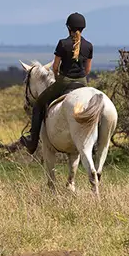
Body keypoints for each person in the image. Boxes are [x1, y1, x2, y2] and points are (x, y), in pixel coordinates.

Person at [17, 12, 93, 154]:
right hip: (83, 84)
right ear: (83, 28)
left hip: (64, 82)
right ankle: (95, 141)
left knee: (39, 104)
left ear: (68, 27)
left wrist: (58, 77)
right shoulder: (89, 45)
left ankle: (32, 142)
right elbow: (87, 70)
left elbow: (55, 67)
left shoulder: (63, 43)